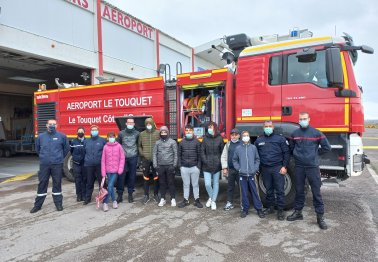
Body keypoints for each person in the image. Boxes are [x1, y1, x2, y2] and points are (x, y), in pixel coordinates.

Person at [287, 112, 331, 230]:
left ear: (309, 119)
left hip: (312, 167)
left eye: (305, 119)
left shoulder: (316, 133)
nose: (303, 121)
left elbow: (327, 147)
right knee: (299, 190)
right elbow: (291, 147)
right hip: (299, 167)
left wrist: (315, 155)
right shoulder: (294, 133)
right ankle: (298, 212)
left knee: (316, 192)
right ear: (298, 120)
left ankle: (320, 217)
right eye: (301, 119)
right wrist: (297, 156)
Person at [30, 119, 69, 213]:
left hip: (57, 164)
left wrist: (59, 157)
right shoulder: (41, 137)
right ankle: (37, 205)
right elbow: (38, 149)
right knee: (42, 183)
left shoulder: (62, 136)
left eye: (54, 124)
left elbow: (66, 149)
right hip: (44, 164)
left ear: (56, 125)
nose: (52, 125)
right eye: (50, 124)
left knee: (57, 183)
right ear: (46, 125)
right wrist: (44, 158)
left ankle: (58, 204)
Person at [255, 121, 290, 220]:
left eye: (270, 126)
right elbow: (256, 155)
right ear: (263, 127)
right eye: (266, 126)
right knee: (268, 190)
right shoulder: (259, 140)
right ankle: (270, 207)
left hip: (277, 168)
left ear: (273, 127)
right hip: (265, 169)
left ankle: (280, 211)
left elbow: (286, 153)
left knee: (280, 190)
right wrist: (257, 167)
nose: (268, 128)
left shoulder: (280, 138)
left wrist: (284, 166)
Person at [233, 131, 265, 218]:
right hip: (242, 175)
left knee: (255, 192)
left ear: (249, 137)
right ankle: (244, 209)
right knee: (243, 193)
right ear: (241, 137)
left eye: (247, 135)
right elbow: (234, 160)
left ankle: (259, 209)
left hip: (252, 174)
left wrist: (255, 169)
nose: (246, 137)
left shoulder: (253, 148)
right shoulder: (238, 148)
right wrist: (239, 169)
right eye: (244, 135)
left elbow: (257, 159)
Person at [177, 124, 203, 208]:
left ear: (193, 131)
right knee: (186, 184)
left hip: (194, 167)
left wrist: (198, 166)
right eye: (187, 130)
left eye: (190, 130)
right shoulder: (181, 142)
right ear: (185, 131)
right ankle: (186, 200)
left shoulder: (197, 142)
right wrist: (180, 166)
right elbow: (179, 155)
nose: (188, 132)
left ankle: (197, 200)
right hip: (184, 167)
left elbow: (200, 155)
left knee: (195, 184)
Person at [201, 122, 224, 210]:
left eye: (211, 127)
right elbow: (202, 151)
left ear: (215, 127)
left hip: (217, 165)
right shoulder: (205, 138)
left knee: (216, 184)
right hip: (207, 165)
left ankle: (213, 201)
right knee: (207, 184)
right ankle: (212, 198)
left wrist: (220, 162)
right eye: (209, 127)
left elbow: (222, 152)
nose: (210, 128)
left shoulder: (220, 138)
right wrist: (205, 160)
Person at [153, 126, 178, 207]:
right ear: (160, 133)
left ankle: (173, 198)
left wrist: (174, 165)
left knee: (171, 183)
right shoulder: (157, 143)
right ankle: (162, 198)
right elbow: (154, 154)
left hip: (170, 166)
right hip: (160, 166)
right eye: (162, 132)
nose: (163, 134)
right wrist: (155, 165)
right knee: (162, 183)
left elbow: (175, 154)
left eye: (165, 132)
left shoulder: (172, 142)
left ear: (168, 133)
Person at [101, 132, 125, 212]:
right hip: (108, 170)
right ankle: (114, 201)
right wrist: (103, 172)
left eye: (113, 136)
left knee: (110, 185)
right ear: (107, 138)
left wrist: (120, 169)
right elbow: (103, 160)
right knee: (110, 186)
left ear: (115, 137)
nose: (111, 138)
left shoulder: (119, 146)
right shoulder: (105, 147)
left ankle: (105, 203)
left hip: (115, 171)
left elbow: (122, 158)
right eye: (110, 137)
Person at [117, 118, 140, 203]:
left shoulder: (137, 134)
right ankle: (120, 195)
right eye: (129, 122)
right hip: (123, 159)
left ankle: (130, 195)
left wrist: (138, 159)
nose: (130, 124)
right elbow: (118, 146)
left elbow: (138, 146)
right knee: (121, 177)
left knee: (132, 177)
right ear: (126, 123)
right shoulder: (121, 133)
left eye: (132, 123)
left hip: (133, 158)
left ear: (134, 124)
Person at [138, 118, 160, 204]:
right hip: (145, 159)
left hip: (155, 159)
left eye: (150, 123)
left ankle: (156, 194)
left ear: (153, 123)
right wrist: (142, 153)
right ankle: (146, 195)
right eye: (147, 124)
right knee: (145, 177)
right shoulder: (142, 134)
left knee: (156, 177)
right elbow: (139, 145)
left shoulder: (158, 133)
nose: (148, 125)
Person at [83, 125, 106, 205]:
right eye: (92, 130)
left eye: (95, 129)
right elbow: (83, 152)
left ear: (98, 130)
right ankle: (87, 198)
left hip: (99, 164)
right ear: (90, 131)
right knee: (89, 182)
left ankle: (103, 198)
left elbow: (105, 153)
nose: (94, 131)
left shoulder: (103, 140)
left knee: (102, 182)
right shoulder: (86, 141)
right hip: (89, 165)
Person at [221, 128, 242, 211]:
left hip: (240, 171)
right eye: (232, 135)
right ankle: (229, 202)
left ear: (239, 136)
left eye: (236, 135)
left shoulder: (242, 144)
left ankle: (243, 203)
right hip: (231, 170)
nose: (234, 136)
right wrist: (225, 168)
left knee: (242, 187)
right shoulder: (227, 145)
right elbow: (224, 156)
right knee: (230, 187)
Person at [70, 126, 86, 202]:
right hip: (76, 164)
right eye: (79, 131)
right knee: (77, 180)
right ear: (77, 132)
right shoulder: (73, 141)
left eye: (82, 131)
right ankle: (79, 196)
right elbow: (71, 151)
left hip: (84, 164)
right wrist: (75, 158)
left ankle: (84, 195)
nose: (80, 133)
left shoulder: (87, 141)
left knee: (84, 180)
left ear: (84, 132)